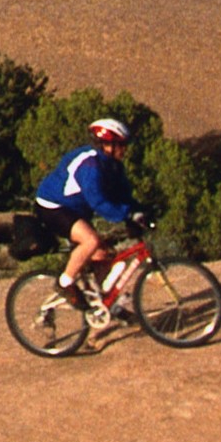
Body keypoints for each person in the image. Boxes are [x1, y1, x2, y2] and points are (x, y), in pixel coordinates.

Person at [31, 117, 143, 320]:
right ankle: (65, 283)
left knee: (103, 255)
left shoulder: (113, 165)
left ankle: (109, 306)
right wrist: (126, 214)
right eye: (121, 145)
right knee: (90, 240)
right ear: (107, 144)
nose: (124, 150)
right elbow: (98, 202)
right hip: (53, 206)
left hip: (76, 209)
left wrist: (138, 210)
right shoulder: (90, 165)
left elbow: (122, 193)